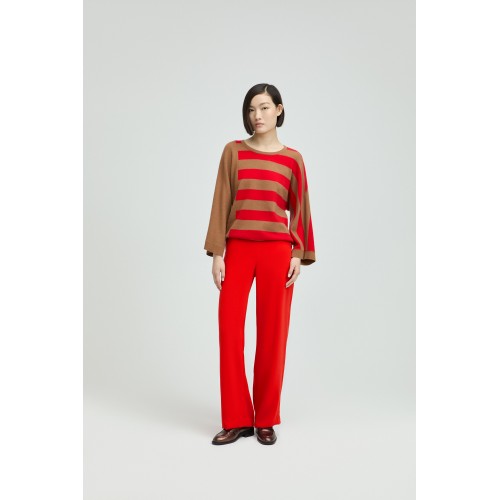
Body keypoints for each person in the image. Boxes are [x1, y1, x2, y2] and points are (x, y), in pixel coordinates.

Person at [204, 83, 316, 445]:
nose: (258, 116)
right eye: (252, 109)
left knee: (272, 336)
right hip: (238, 249)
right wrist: (218, 253)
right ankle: (237, 418)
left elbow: (300, 208)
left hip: (277, 253)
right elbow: (222, 201)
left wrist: (297, 253)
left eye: (265, 108)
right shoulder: (233, 152)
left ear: (279, 110)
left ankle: (265, 418)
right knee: (229, 332)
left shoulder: (292, 159)